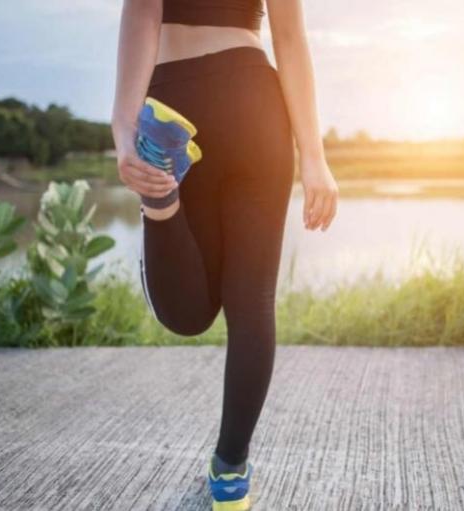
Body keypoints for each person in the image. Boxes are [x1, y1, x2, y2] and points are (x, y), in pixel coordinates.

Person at [111, 0, 338, 508]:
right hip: (254, 102)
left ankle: (161, 199)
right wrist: (315, 158)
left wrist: (124, 128)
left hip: (176, 103)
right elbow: (290, 37)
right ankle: (230, 468)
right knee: (251, 302)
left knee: (187, 316)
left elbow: (143, 12)